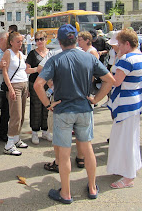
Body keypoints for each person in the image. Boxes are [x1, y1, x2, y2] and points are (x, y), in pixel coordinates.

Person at [34, 24, 114, 203]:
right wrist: (96, 99)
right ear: (75, 39)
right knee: (88, 149)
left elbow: (38, 84)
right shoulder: (89, 57)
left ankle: (66, 193)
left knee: (64, 154)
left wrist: (48, 104)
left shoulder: (55, 59)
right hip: (84, 109)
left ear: (60, 42)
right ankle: (92, 188)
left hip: (63, 110)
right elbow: (110, 80)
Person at [105, 29, 142, 189]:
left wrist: (103, 75)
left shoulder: (127, 59)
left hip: (125, 104)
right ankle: (128, 169)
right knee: (129, 139)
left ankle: (128, 176)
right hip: (133, 102)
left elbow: (115, 81)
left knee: (125, 140)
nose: (118, 47)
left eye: (120, 44)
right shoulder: (140, 56)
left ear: (127, 44)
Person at [1, 31, 29, 156]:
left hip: (23, 85)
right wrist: (11, 88)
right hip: (15, 86)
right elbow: (5, 72)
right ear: (11, 42)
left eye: (21, 41)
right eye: (18, 41)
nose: (20, 44)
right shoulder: (8, 53)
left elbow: (25, 70)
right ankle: (9, 143)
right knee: (15, 115)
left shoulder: (21, 54)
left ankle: (16, 138)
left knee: (22, 114)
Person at [25, 31, 51, 144]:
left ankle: (45, 130)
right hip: (35, 83)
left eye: (41, 39)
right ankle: (35, 131)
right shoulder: (32, 54)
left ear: (46, 39)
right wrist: (37, 69)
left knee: (47, 107)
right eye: (36, 40)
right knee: (35, 107)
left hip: (48, 84)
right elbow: (26, 70)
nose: (39, 42)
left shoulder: (50, 53)